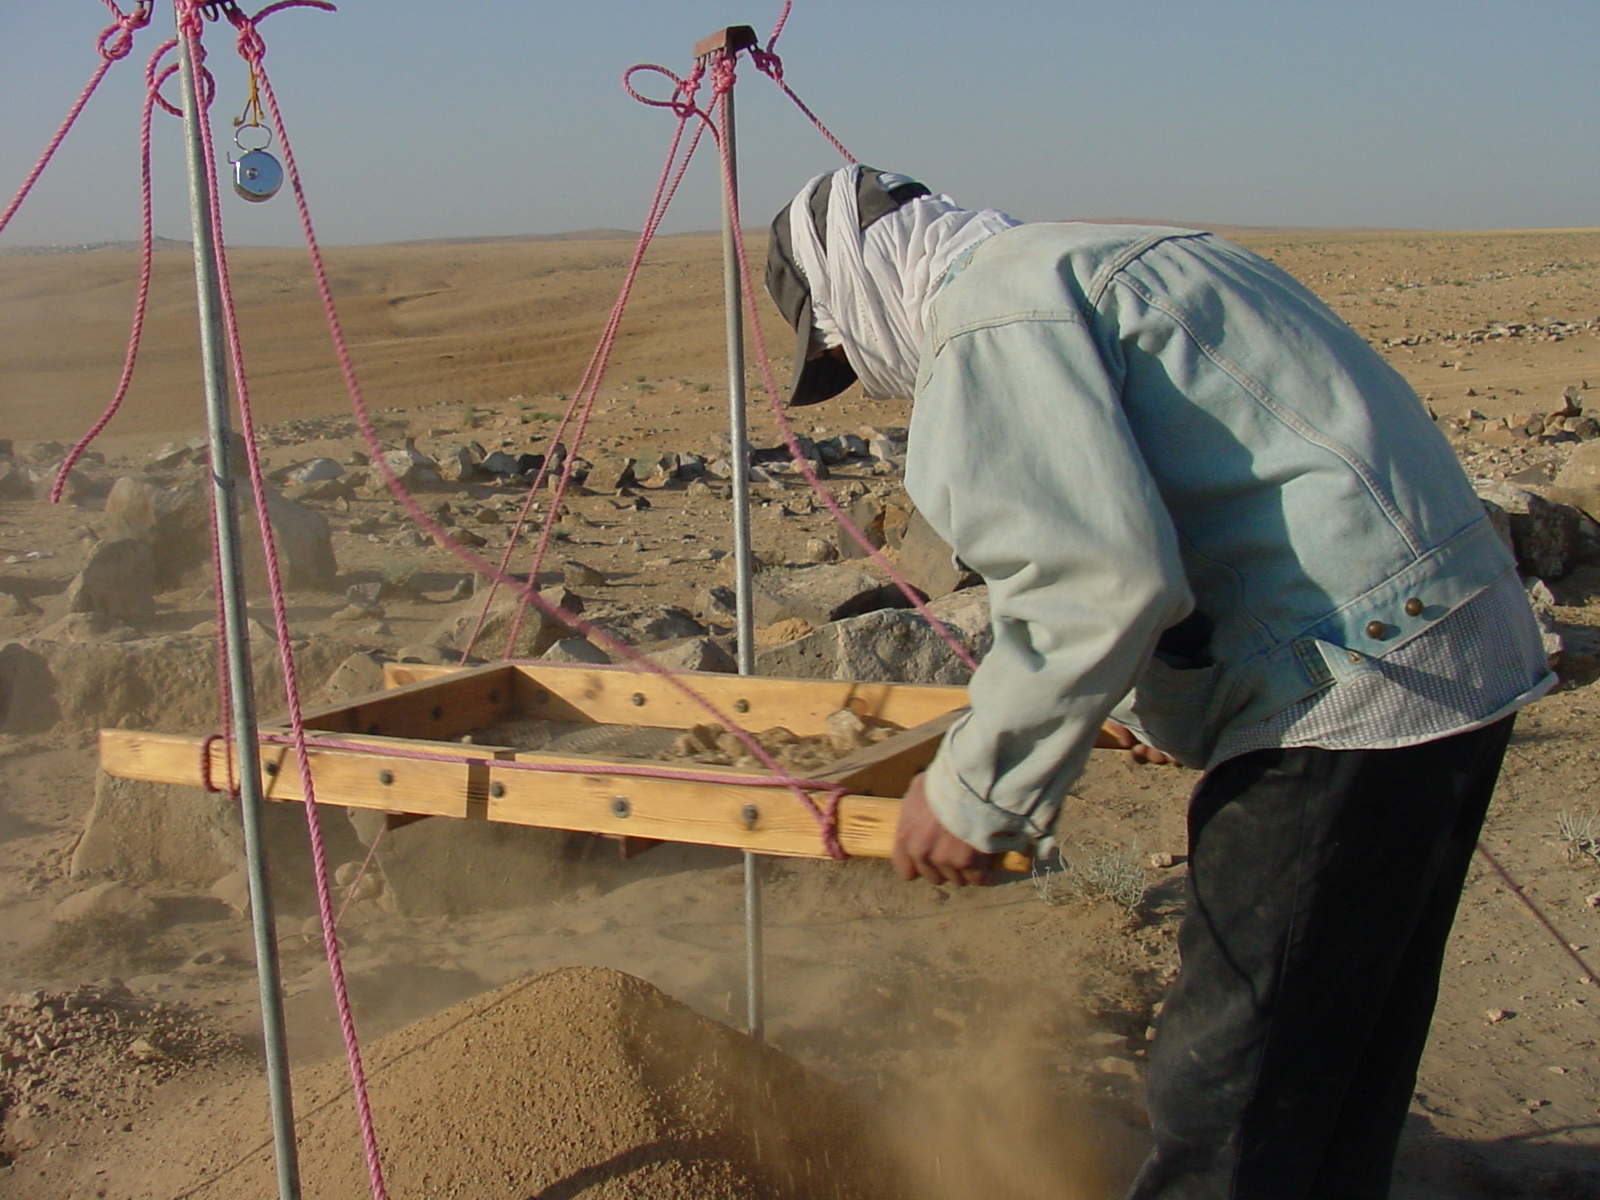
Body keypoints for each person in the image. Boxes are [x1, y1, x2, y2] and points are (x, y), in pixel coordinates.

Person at [765, 165, 1554, 1200]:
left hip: (1349, 689)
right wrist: (1153, 704)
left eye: (836, 346)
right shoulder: (1114, 253)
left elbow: (1097, 579)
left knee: (1224, 1096)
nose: (868, 374)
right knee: (1339, 1061)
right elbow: (1215, 497)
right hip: (1457, 646)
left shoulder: (987, 316)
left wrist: (974, 792)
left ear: (851, 287)